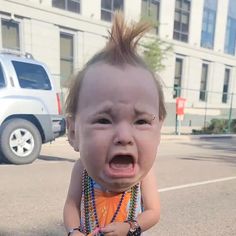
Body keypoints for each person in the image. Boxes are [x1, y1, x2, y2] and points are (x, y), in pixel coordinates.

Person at [63, 11, 166, 236]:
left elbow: (153, 211)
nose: (124, 136)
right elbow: (71, 204)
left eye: (140, 121)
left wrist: (130, 227)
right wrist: (73, 231)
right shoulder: (81, 169)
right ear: (73, 132)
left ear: (159, 130)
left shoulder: (144, 175)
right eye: (103, 120)